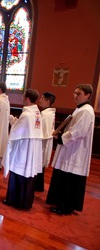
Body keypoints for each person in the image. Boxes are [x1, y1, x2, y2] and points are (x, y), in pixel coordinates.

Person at [46, 84, 94, 215]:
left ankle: (65, 207)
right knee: (64, 177)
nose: (75, 96)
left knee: (69, 179)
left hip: (75, 151)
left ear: (88, 95)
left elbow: (79, 131)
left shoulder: (86, 111)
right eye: (74, 93)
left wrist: (61, 137)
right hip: (71, 148)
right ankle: (61, 203)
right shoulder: (81, 109)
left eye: (79, 94)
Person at [2, 89, 43, 210]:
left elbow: (16, 133)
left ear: (27, 98)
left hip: (23, 149)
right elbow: (24, 128)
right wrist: (15, 121)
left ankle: (13, 200)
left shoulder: (26, 115)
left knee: (18, 173)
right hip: (32, 149)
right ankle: (25, 202)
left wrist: (12, 122)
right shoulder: (37, 113)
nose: (22, 98)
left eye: (23, 96)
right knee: (27, 176)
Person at [35, 92, 56, 192]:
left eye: (42, 98)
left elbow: (42, 131)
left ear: (47, 101)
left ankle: (37, 185)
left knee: (39, 163)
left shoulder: (45, 115)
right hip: (44, 141)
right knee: (40, 164)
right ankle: (38, 185)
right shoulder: (48, 113)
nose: (40, 100)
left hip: (42, 142)